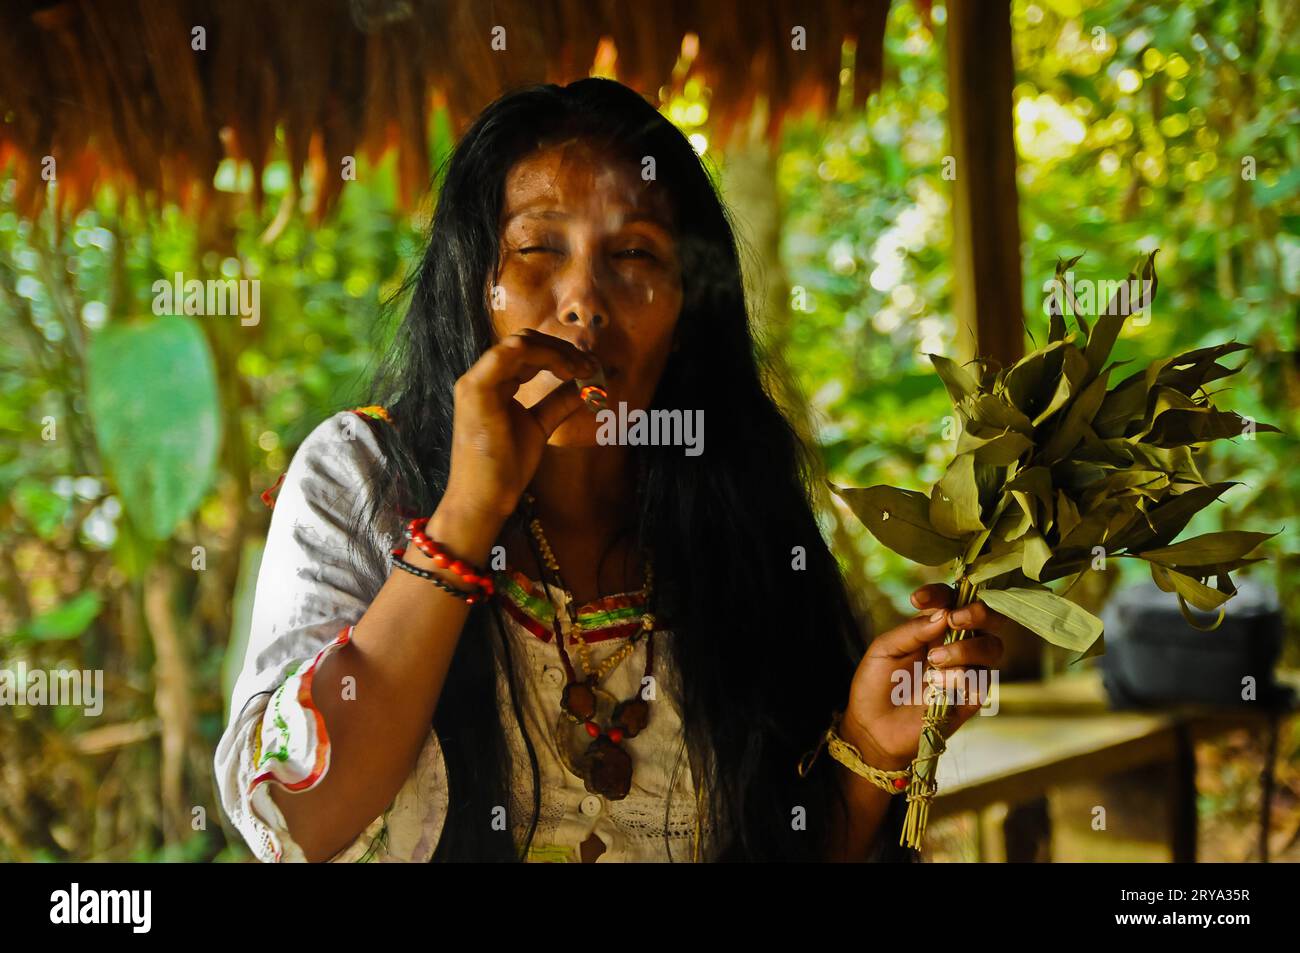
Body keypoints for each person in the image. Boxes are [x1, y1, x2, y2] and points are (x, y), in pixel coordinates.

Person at [214, 77, 1010, 863]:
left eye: (633, 253)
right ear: (473, 285)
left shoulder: (739, 513)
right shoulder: (362, 478)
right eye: (536, 248)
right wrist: (465, 516)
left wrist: (869, 746)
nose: (584, 300)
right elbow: (300, 820)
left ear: (687, 309)